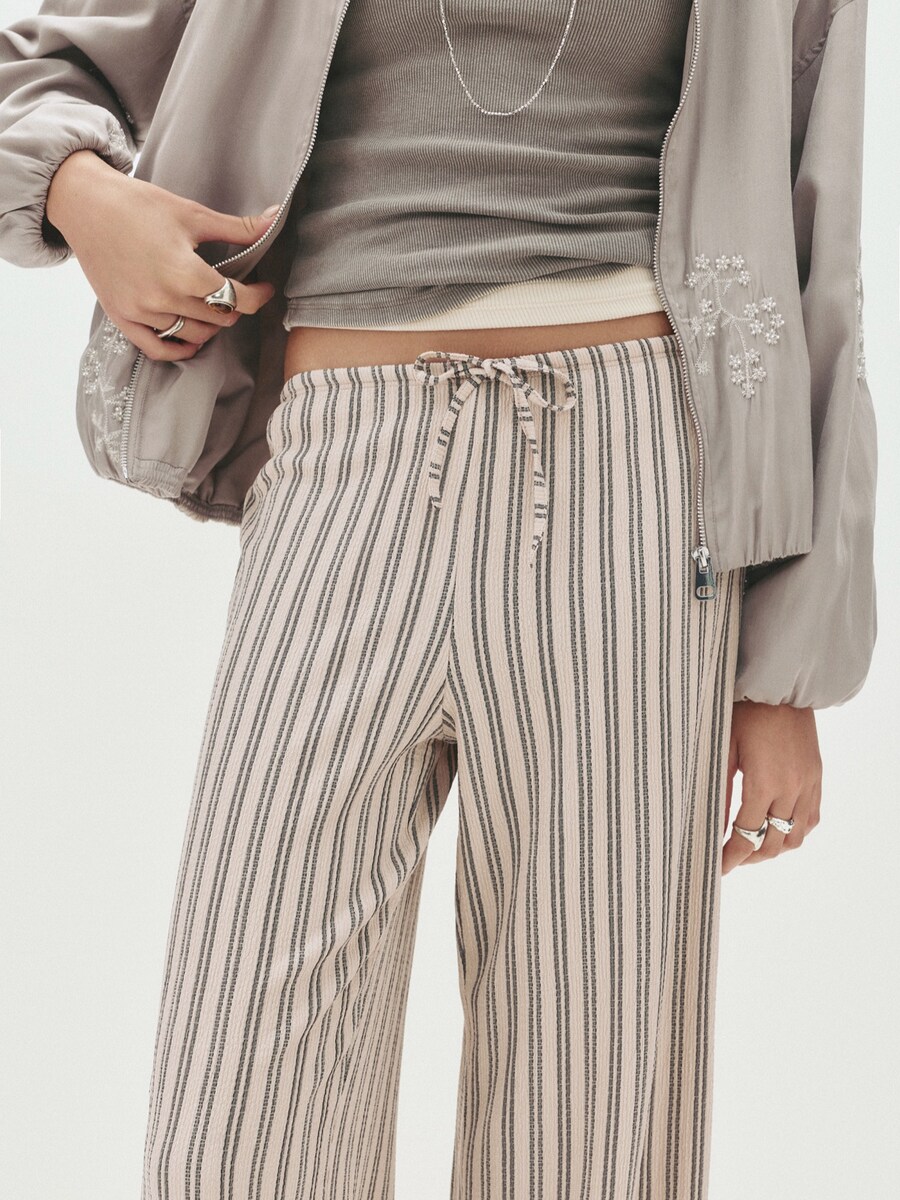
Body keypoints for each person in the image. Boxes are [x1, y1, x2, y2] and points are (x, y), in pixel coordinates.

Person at [0, 1, 878, 1198]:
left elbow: (822, 229)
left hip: (634, 478)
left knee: (587, 1124)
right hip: (342, 464)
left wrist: (787, 664)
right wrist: (85, 199)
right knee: (238, 1129)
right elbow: (36, 69)